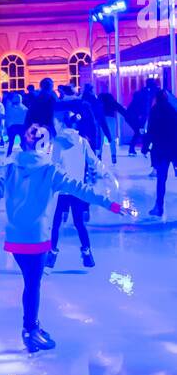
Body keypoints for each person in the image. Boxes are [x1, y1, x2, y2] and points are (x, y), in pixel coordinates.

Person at [0, 122, 128, 352]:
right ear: (45, 145)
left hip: (14, 238)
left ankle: (33, 326)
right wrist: (111, 204)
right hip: (36, 239)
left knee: (30, 283)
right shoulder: (50, 172)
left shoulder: (11, 169)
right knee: (32, 285)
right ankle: (30, 329)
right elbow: (81, 189)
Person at [48, 102, 113, 268]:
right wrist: (105, 173)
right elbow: (93, 161)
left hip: (62, 189)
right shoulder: (82, 141)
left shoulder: (58, 142)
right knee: (79, 223)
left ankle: (52, 253)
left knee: (55, 223)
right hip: (77, 188)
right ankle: (87, 252)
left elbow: (53, 164)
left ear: (62, 124)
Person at [148, 88, 177, 218]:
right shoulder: (173, 109)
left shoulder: (155, 110)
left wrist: (145, 147)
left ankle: (159, 206)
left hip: (161, 149)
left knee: (161, 179)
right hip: (174, 148)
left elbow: (151, 130)